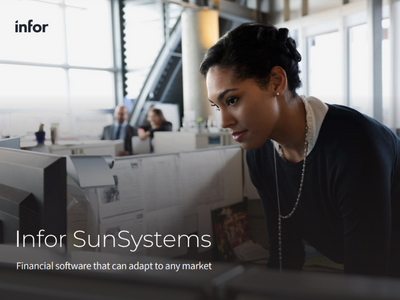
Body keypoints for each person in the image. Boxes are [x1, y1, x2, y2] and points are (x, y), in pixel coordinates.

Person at [200, 23, 400, 277]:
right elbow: (284, 254)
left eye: (232, 100)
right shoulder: (260, 154)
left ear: (276, 82)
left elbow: (366, 274)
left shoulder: (354, 143)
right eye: (217, 106)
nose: (223, 121)